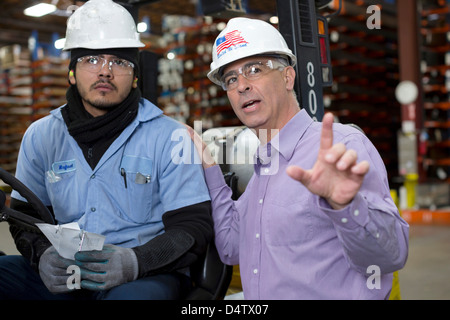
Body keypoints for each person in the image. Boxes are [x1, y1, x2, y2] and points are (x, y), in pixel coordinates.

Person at [0, 0, 212, 300]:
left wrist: (135, 262)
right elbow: (25, 217)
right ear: (72, 72)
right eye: (92, 60)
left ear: (135, 75)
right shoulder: (41, 136)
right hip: (69, 274)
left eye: (119, 62)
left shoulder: (170, 137)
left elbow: (194, 226)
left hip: (143, 276)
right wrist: (43, 256)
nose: (105, 72)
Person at [188, 17, 409, 299]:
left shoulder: (341, 146)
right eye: (231, 79)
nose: (241, 85)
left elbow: (390, 257)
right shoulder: (262, 171)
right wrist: (210, 166)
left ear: (288, 76)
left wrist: (346, 207)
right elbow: (231, 246)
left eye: (254, 69)